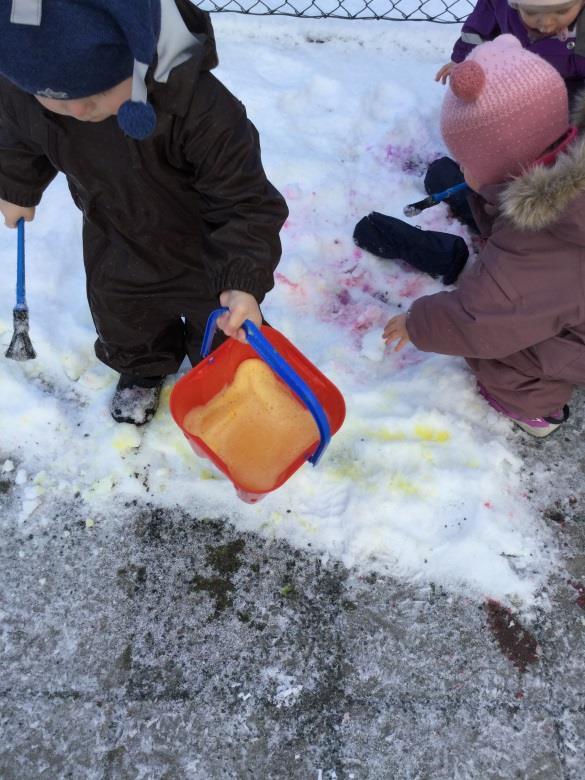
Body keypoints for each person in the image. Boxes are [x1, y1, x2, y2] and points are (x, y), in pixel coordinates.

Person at [0, 0, 288, 426]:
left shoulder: (198, 107)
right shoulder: (31, 87)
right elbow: (17, 134)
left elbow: (245, 201)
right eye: (54, 100)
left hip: (207, 246)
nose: (78, 110)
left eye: (96, 93)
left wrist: (241, 281)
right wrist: (17, 186)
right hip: (114, 231)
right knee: (123, 314)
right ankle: (143, 367)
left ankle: (220, 366)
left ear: (137, 59)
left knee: (220, 321)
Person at [383, 35, 585, 438]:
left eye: (468, 162)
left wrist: (417, 322)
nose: (464, 170)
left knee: (503, 353)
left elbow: (482, 321)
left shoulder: (540, 242)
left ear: (507, 161)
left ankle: (536, 410)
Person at [436, 0, 585, 104]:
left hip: (576, 80)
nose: (546, 22)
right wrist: (463, 60)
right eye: (531, 12)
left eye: (561, 11)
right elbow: (478, 32)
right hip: (521, 78)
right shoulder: (500, 5)